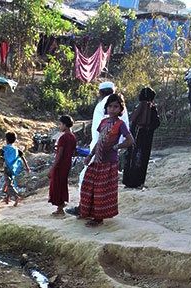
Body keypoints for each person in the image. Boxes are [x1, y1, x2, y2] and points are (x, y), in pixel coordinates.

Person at [70, 80, 130, 215]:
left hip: (102, 151)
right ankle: (89, 210)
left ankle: (85, 209)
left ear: (101, 92)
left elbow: (101, 135)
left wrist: (94, 153)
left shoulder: (102, 106)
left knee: (88, 181)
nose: (112, 109)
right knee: (103, 185)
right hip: (110, 151)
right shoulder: (120, 106)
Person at [79, 93, 134, 227]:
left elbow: (130, 140)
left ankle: (98, 218)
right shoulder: (103, 122)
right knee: (88, 185)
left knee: (101, 190)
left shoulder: (120, 124)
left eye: (116, 106)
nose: (112, 109)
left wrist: (117, 146)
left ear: (121, 109)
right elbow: (99, 140)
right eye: (110, 106)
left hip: (109, 162)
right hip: (98, 160)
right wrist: (89, 156)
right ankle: (87, 212)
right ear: (106, 108)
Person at [122, 87, 160, 189]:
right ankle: (138, 182)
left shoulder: (138, 107)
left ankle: (128, 181)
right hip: (145, 138)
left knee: (131, 157)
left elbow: (133, 121)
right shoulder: (151, 108)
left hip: (134, 136)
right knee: (141, 159)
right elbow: (156, 123)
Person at [48, 114, 77, 216]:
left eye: (60, 124)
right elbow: (73, 152)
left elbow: (59, 155)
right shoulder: (73, 137)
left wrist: (52, 168)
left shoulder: (63, 138)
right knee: (62, 184)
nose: (59, 126)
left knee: (56, 185)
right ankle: (62, 204)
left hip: (60, 165)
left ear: (65, 125)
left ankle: (60, 208)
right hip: (67, 164)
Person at [0, 131, 30, 207]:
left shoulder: (4, 148)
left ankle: (16, 197)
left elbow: (1, 156)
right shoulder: (16, 149)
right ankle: (7, 198)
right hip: (13, 169)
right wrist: (27, 167)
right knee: (9, 182)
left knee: (9, 184)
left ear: (6, 139)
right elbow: (22, 157)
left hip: (7, 168)